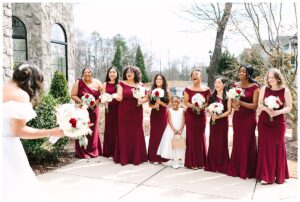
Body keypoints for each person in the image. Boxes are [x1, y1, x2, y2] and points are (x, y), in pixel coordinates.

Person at [2, 62, 64, 200]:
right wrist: (51, 131)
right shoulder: (20, 95)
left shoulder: (3, 87)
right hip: (7, 149)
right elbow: (19, 131)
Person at [256, 68, 292, 184]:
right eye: (269, 77)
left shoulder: (285, 90)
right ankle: (265, 176)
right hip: (264, 121)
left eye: (272, 77)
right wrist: (266, 109)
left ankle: (278, 175)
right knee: (264, 147)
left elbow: (289, 107)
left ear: (278, 78)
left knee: (278, 146)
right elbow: (260, 104)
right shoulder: (264, 89)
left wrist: (277, 112)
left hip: (278, 123)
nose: (270, 80)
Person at [227, 64, 259, 179]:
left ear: (249, 73)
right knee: (237, 142)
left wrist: (240, 103)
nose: (240, 73)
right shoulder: (234, 85)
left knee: (247, 142)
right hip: (238, 117)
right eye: (239, 71)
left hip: (249, 118)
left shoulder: (255, 87)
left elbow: (255, 106)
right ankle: (236, 169)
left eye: (243, 72)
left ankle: (247, 170)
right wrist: (235, 105)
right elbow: (232, 102)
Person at [113, 66, 148, 165]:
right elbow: (119, 98)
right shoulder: (121, 84)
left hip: (136, 112)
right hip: (124, 112)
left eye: (131, 72)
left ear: (135, 74)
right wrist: (113, 96)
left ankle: (137, 157)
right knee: (124, 133)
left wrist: (142, 100)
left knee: (136, 133)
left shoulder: (140, 85)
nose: (129, 73)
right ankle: (124, 157)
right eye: (127, 72)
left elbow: (146, 97)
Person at [71, 67, 103, 158]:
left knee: (93, 129)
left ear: (92, 73)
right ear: (82, 74)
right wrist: (82, 102)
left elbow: (102, 94)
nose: (87, 74)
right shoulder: (78, 82)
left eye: (89, 72)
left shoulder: (97, 82)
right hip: (81, 110)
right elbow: (73, 95)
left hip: (94, 110)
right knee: (81, 128)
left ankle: (93, 150)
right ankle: (82, 152)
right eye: (85, 72)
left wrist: (95, 102)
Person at [184, 69, 211, 169]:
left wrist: (202, 106)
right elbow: (185, 102)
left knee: (200, 137)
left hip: (201, 116)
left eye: (196, 74)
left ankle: (201, 161)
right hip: (191, 115)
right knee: (191, 138)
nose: (194, 76)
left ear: (201, 77)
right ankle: (192, 162)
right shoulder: (187, 89)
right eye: (192, 75)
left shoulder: (207, 89)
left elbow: (208, 102)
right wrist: (194, 106)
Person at [204, 77, 231, 173]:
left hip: (223, 122)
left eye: (219, 83)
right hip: (213, 122)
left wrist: (219, 117)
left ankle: (222, 165)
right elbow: (207, 107)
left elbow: (229, 111)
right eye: (215, 83)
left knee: (222, 142)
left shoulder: (227, 96)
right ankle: (212, 164)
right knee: (213, 142)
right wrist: (212, 114)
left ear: (224, 84)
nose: (216, 85)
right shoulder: (212, 95)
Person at [157, 96, 186, 169]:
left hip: (180, 129)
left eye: (176, 101)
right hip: (171, 129)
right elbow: (169, 120)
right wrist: (174, 130)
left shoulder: (182, 110)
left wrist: (181, 129)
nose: (174, 103)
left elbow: (183, 120)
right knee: (171, 144)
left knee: (180, 143)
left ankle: (179, 159)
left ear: (179, 102)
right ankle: (173, 159)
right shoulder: (169, 110)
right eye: (173, 102)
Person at [148, 74, 171, 164]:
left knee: (163, 135)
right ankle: (153, 157)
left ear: (163, 80)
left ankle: (163, 158)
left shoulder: (167, 91)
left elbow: (168, 104)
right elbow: (150, 105)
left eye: (160, 79)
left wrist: (160, 102)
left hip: (163, 114)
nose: (158, 80)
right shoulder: (151, 91)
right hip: (154, 114)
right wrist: (155, 105)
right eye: (157, 79)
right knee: (154, 134)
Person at [102, 67, 120, 158]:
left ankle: (116, 151)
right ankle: (109, 151)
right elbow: (103, 95)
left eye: (114, 72)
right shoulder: (105, 84)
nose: (112, 74)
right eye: (110, 72)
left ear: (117, 74)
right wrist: (105, 103)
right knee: (109, 129)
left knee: (117, 129)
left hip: (118, 109)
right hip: (108, 109)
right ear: (108, 74)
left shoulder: (119, 84)